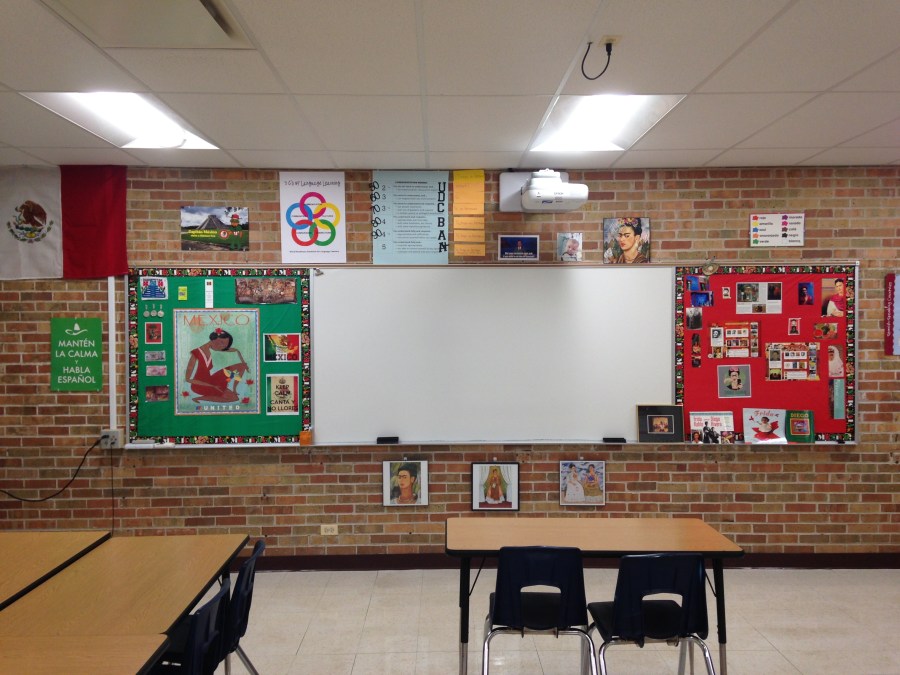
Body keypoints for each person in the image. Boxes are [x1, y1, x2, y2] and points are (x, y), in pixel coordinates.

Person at [184, 328, 250, 403]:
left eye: (225, 345)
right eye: (221, 342)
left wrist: (242, 360)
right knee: (234, 398)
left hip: (211, 380)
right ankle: (198, 398)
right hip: (200, 386)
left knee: (242, 366)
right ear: (213, 339)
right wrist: (212, 386)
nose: (222, 346)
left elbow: (235, 350)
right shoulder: (196, 353)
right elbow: (188, 379)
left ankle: (234, 389)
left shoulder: (211, 348)